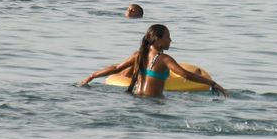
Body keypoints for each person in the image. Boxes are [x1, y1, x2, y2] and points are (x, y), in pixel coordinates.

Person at [75, 24, 229, 96]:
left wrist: (92, 76)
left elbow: (116, 68)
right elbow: (186, 75)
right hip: (153, 104)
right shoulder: (164, 59)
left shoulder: (139, 55)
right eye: (168, 37)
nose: (171, 40)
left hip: (135, 100)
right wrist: (213, 84)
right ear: (158, 40)